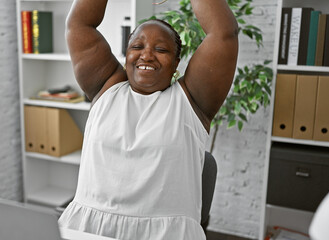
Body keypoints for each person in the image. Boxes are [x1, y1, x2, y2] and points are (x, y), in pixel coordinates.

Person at [58, 0, 238, 239]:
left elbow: (224, 34)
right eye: (137, 46)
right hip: (88, 229)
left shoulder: (191, 101)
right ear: (127, 55)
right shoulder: (107, 87)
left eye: (161, 50)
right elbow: (79, 24)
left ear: (176, 64)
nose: (147, 55)